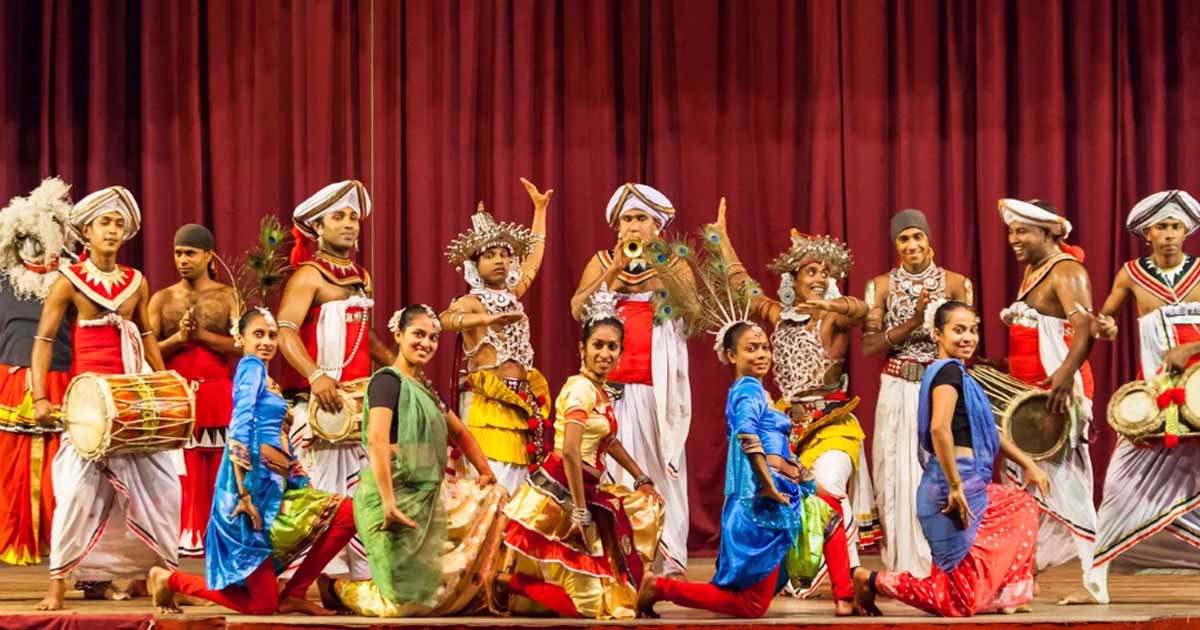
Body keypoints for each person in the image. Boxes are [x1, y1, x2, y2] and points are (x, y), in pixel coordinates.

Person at [707, 205, 877, 610]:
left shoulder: (833, 318)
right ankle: (827, 576)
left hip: (832, 423)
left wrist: (834, 307)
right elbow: (742, 285)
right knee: (797, 498)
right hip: (787, 428)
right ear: (793, 280)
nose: (818, 279)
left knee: (829, 488)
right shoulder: (777, 315)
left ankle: (850, 579)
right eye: (810, 271)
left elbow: (862, 310)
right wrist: (722, 239)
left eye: (824, 273)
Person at [147, 307, 357, 615]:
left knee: (346, 513)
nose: (267, 342)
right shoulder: (251, 367)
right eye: (258, 334)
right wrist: (244, 495)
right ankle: (170, 580)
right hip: (251, 492)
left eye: (272, 335)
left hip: (275, 487)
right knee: (263, 606)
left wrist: (298, 478)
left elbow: (278, 436)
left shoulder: (266, 378)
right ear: (240, 338)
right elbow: (239, 427)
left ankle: (295, 593)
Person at [849, 301, 1048, 617]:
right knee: (955, 604)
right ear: (937, 334)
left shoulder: (959, 374)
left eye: (973, 330)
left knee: (1021, 506)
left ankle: (1006, 594)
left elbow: (987, 430)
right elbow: (939, 428)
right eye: (958, 330)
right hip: (950, 488)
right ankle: (870, 580)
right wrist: (955, 486)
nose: (968, 337)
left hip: (968, 483)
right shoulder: (948, 373)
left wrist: (1029, 464)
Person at [30, 186, 177, 610]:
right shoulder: (69, 281)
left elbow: (146, 336)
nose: (112, 230)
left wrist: (167, 387)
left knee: (163, 490)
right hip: (89, 405)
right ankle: (58, 585)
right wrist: (40, 398)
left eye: (118, 224)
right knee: (76, 493)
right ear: (87, 232)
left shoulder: (137, 281)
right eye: (104, 223)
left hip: (133, 400)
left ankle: (162, 577)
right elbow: (43, 341)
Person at [637, 320, 844, 618]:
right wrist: (768, 485)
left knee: (830, 512)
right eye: (751, 349)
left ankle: (847, 596)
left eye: (765, 348)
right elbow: (747, 435)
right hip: (764, 504)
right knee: (750, 605)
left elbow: (775, 447)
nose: (761, 354)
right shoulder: (748, 390)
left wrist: (806, 480)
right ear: (732, 356)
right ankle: (660, 587)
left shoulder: (758, 391)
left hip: (781, 494)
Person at [1064, 190, 1200, 604]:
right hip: (1154, 401)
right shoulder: (1131, 274)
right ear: (1147, 234)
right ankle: (1096, 581)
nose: (1169, 234)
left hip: (1198, 397)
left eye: (1175, 226)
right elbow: (1105, 320)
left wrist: (1191, 349)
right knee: (1120, 482)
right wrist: (1104, 327)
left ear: (1187, 232)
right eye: (1161, 227)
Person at [498, 285, 665, 619]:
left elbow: (608, 441)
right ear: (582, 348)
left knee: (645, 510)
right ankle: (509, 584)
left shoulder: (600, 392)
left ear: (621, 352)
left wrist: (641, 477)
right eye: (598, 345)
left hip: (586, 490)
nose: (605, 353)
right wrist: (579, 511)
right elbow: (572, 454)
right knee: (590, 607)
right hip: (562, 493)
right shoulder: (580, 390)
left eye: (612, 347)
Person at [331, 305, 509, 616]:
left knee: (496, 495)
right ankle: (338, 589)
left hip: (429, 497)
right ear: (398, 335)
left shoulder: (426, 389)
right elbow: (377, 441)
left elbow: (461, 432)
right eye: (418, 334)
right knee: (401, 606)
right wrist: (389, 504)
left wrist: (485, 472)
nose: (426, 343)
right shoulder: (387, 382)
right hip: (391, 498)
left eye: (433, 337)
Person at [569, 183, 695, 575]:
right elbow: (578, 309)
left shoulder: (674, 263)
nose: (633, 227)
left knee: (659, 474)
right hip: (610, 392)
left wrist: (659, 264)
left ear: (657, 226)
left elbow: (693, 312)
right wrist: (612, 272)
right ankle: (616, 557)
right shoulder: (601, 261)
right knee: (610, 474)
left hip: (655, 391)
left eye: (641, 219)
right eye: (627, 220)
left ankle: (665, 559)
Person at [277, 180, 395, 581]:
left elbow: (366, 336)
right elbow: (285, 331)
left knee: (361, 495)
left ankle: (351, 579)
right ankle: (307, 581)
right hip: (319, 406)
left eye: (353, 218)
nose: (348, 224)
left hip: (356, 405)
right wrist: (316, 376)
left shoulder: (361, 276)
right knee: (322, 496)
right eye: (338, 217)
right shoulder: (308, 276)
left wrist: (398, 368)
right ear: (318, 227)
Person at [861, 208, 973, 577]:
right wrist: (914, 320)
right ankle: (903, 563)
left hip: (940, 387)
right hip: (896, 387)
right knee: (895, 473)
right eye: (904, 238)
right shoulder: (880, 286)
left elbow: (965, 339)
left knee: (938, 468)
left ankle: (942, 560)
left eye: (917, 236)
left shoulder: (956, 283)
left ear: (929, 239)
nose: (912, 245)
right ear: (896, 245)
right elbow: (870, 346)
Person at [995, 198, 1097, 576]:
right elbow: (1037, 331)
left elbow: (1085, 327)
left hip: (1055, 392)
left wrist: (1066, 376)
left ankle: (1092, 571)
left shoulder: (1066, 271)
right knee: (1029, 484)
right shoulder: (1034, 270)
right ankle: (1027, 566)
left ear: (1049, 232)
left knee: (1067, 485)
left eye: (1022, 231)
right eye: (1011, 231)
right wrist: (1003, 366)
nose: (1013, 239)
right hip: (1027, 392)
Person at [440, 179, 552, 493]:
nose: (500, 260)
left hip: (520, 404)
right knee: (491, 489)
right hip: (487, 408)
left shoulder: (513, 294)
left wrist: (540, 211)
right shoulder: (472, 301)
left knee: (519, 493)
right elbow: (443, 321)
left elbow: (534, 259)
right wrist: (486, 319)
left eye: (504, 254)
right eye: (490, 255)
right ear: (475, 265)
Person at [149, 224, 240, 556]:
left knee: (217, 463)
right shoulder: (162, 298)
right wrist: (178, 339)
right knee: (177, 465)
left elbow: (244, 345)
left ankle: (216, 531)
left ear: (208, 256)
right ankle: (178, 534)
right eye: (178, 253)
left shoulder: (228, 296)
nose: (183, 260)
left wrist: (203, 337)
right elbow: (146, 350)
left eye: (190, 253)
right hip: (176, 395)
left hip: (216, 392)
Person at [0, 177, 76, 566]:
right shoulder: (4, 280)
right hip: (9, 380)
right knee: (9, 465)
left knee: (59, 466)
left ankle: (56, 542)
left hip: (61, 378)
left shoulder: (74, 280)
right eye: (26, 237)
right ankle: (12, 540)